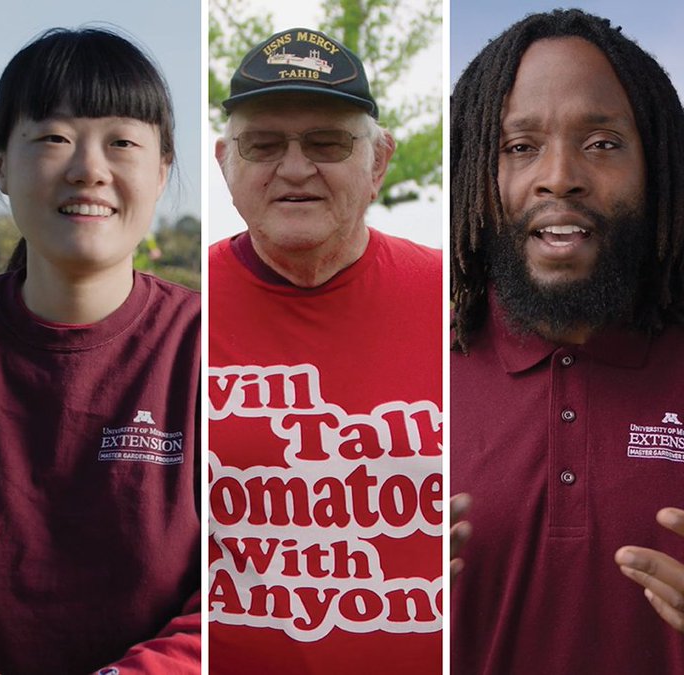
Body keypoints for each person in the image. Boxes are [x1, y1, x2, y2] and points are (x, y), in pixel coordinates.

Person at [449, 9, 684, 673]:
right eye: (519, 146)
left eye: (603, 143)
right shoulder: (408, 381)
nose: (559, 176)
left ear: (659, 166)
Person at [207, 27, 443, 673]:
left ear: (380, 161)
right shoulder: (178, 318)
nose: (294, 167)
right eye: (263, 144)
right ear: (225, 160)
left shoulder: (464, 303)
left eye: (327, 143)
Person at [0, 28, 201, 674]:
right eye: (53, 138)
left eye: (122, 142)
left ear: (160, 170)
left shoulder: (211, 346)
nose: (88, 168)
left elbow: (242, 579)